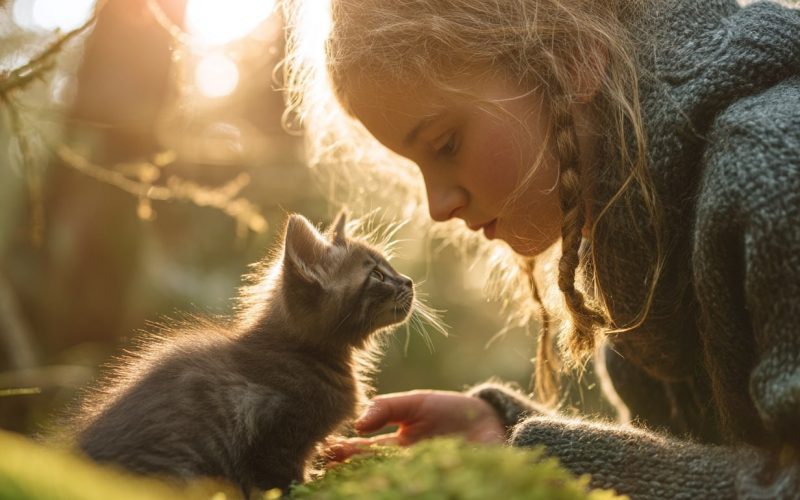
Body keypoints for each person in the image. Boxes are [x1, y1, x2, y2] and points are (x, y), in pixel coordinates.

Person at [284, 0, 800, 497]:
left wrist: (548, 457)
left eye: (446, 145)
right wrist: (506, 437)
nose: (436, 207)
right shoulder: (634, 254)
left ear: (570, 58)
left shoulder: (776, 169)